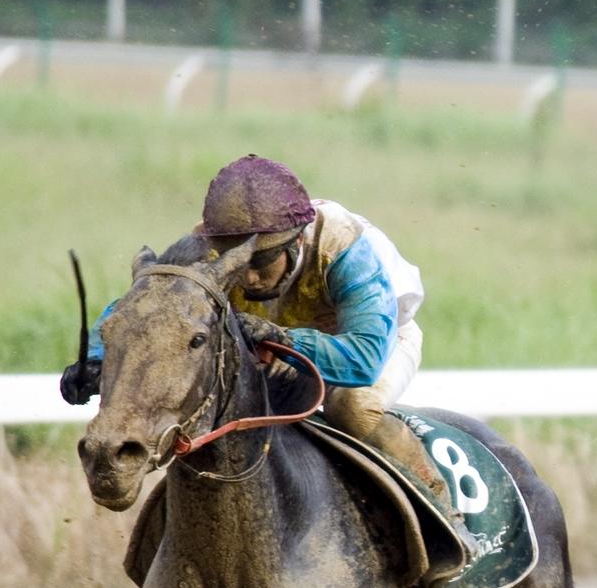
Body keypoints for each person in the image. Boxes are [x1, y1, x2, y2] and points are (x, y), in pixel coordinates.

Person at [59, 155, 464, 515]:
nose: (248, 279)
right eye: (238, 262)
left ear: (297, 240)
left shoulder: (344, 248)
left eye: (262, 262)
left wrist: (283, 339)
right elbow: (140, 310)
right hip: (269, 348)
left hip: (373, 343)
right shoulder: (204, 249)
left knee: (353, 410)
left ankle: (439, 505)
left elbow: (364, 359)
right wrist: (94, 360)